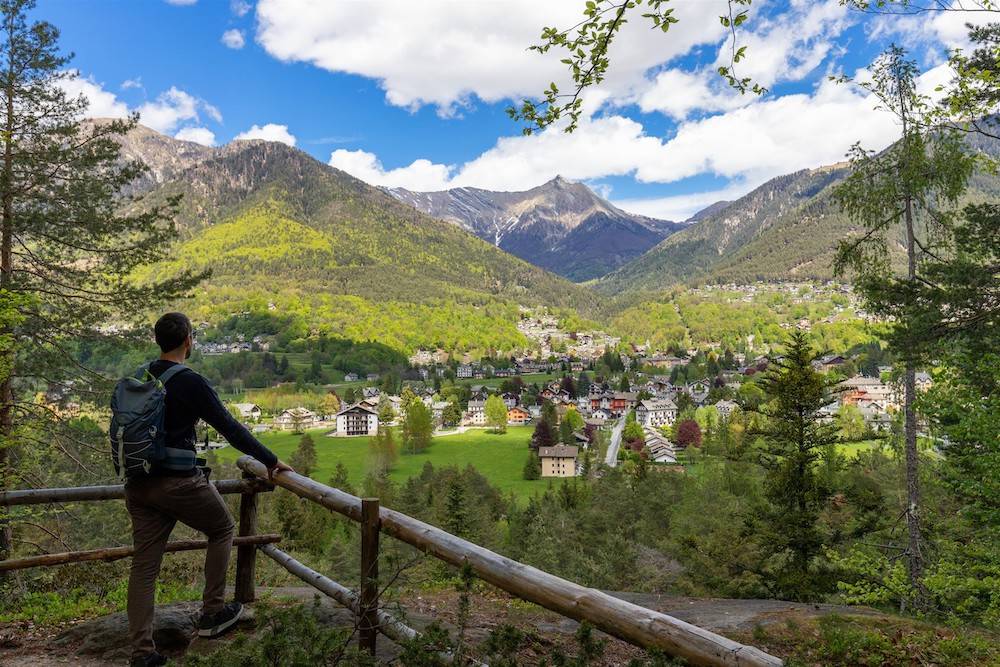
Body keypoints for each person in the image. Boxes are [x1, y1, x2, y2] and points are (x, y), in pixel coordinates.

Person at [125, 313, 294, 667]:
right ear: (188, 340)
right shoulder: (190, 381)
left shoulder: (141, 376)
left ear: (159, 340)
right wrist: (270, 460)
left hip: (139, 483)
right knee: (222, 528)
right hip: (176, 482)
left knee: (144, 568)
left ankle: (142, 654)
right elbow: (229, 428)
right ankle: (212, 613)